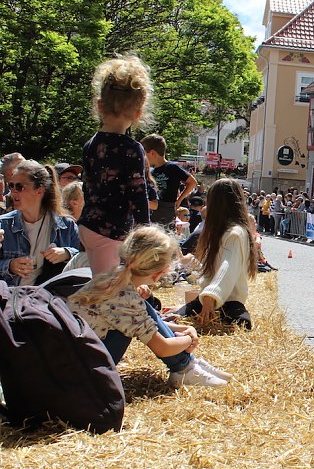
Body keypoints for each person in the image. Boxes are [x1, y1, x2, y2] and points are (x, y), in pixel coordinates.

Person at [67, 226, 230, 388]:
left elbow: (146, 321)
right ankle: (184, 368)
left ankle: (188, 365)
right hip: (84, 374)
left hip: (72, 362)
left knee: (142, 306)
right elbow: (163, 348)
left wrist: (180, 328)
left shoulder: (113, 277)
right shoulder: (126, 297)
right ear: (158, 273)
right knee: (140, 307)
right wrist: (190, 338)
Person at [78, 55, 151, 274]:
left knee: (104, 283)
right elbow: (138, 194)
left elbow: (88, 185)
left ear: (100, 105)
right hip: (111, 231)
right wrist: (145, 233)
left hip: (88, 225)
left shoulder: (90, 144)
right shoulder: (132, 148)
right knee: (105, 290)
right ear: (138, 113)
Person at [177, 178, 258, 329]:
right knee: (170, 320)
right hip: (206, 299)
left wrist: (211, 295)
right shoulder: (219, 231)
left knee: (240, 324)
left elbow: (227, 267)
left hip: (229, 303)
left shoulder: (235, 233)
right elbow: (211, 269)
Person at [0, 161, 80, 286]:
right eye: (11, 186)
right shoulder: (3, 224)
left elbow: (85, 258)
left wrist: (67, 253)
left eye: (19, 187)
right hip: (10, 299)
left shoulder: (66, 225)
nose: (13, 192)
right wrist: (9, 266)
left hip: (48, 300)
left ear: (39, 191)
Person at [140, 134, 197, 226]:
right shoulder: (151, 171)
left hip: (166, 209)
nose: (142, 157)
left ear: (152, 153)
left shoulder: (172, 167)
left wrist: (179, 200)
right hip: (154, 208)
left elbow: (192, 182)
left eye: (143, 154)